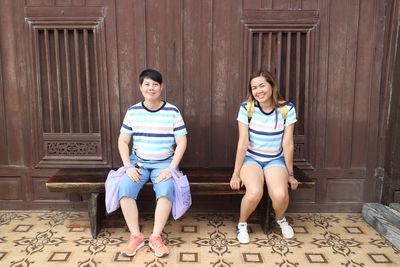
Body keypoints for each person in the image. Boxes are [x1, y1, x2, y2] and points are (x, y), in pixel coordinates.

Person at [118, 69, 187, 257]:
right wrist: (128, 167)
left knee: (166, 191)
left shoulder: (172, 111)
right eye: (147, 84)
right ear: (141, 87)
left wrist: (172, 168)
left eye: (155, 84)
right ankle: (136, 236)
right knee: (124, 189)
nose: (151, 88)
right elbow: (123, 141)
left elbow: (182, 141)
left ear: (161, 87)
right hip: (138, 163)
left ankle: (156, 237)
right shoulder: (133, 111)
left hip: (164, 163)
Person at [230, 70, 299, 243]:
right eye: (254, 87)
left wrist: (290, 174)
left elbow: (288, 143)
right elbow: (243, 143)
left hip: (275, 160)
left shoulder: (286, 108)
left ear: (271, 85)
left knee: (281, 194)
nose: (258, 91)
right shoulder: (247, 108)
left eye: (262, 85)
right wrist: (236, 173)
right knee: (254, 192)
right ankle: (242, 224)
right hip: (251, 159)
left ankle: (280, 219)